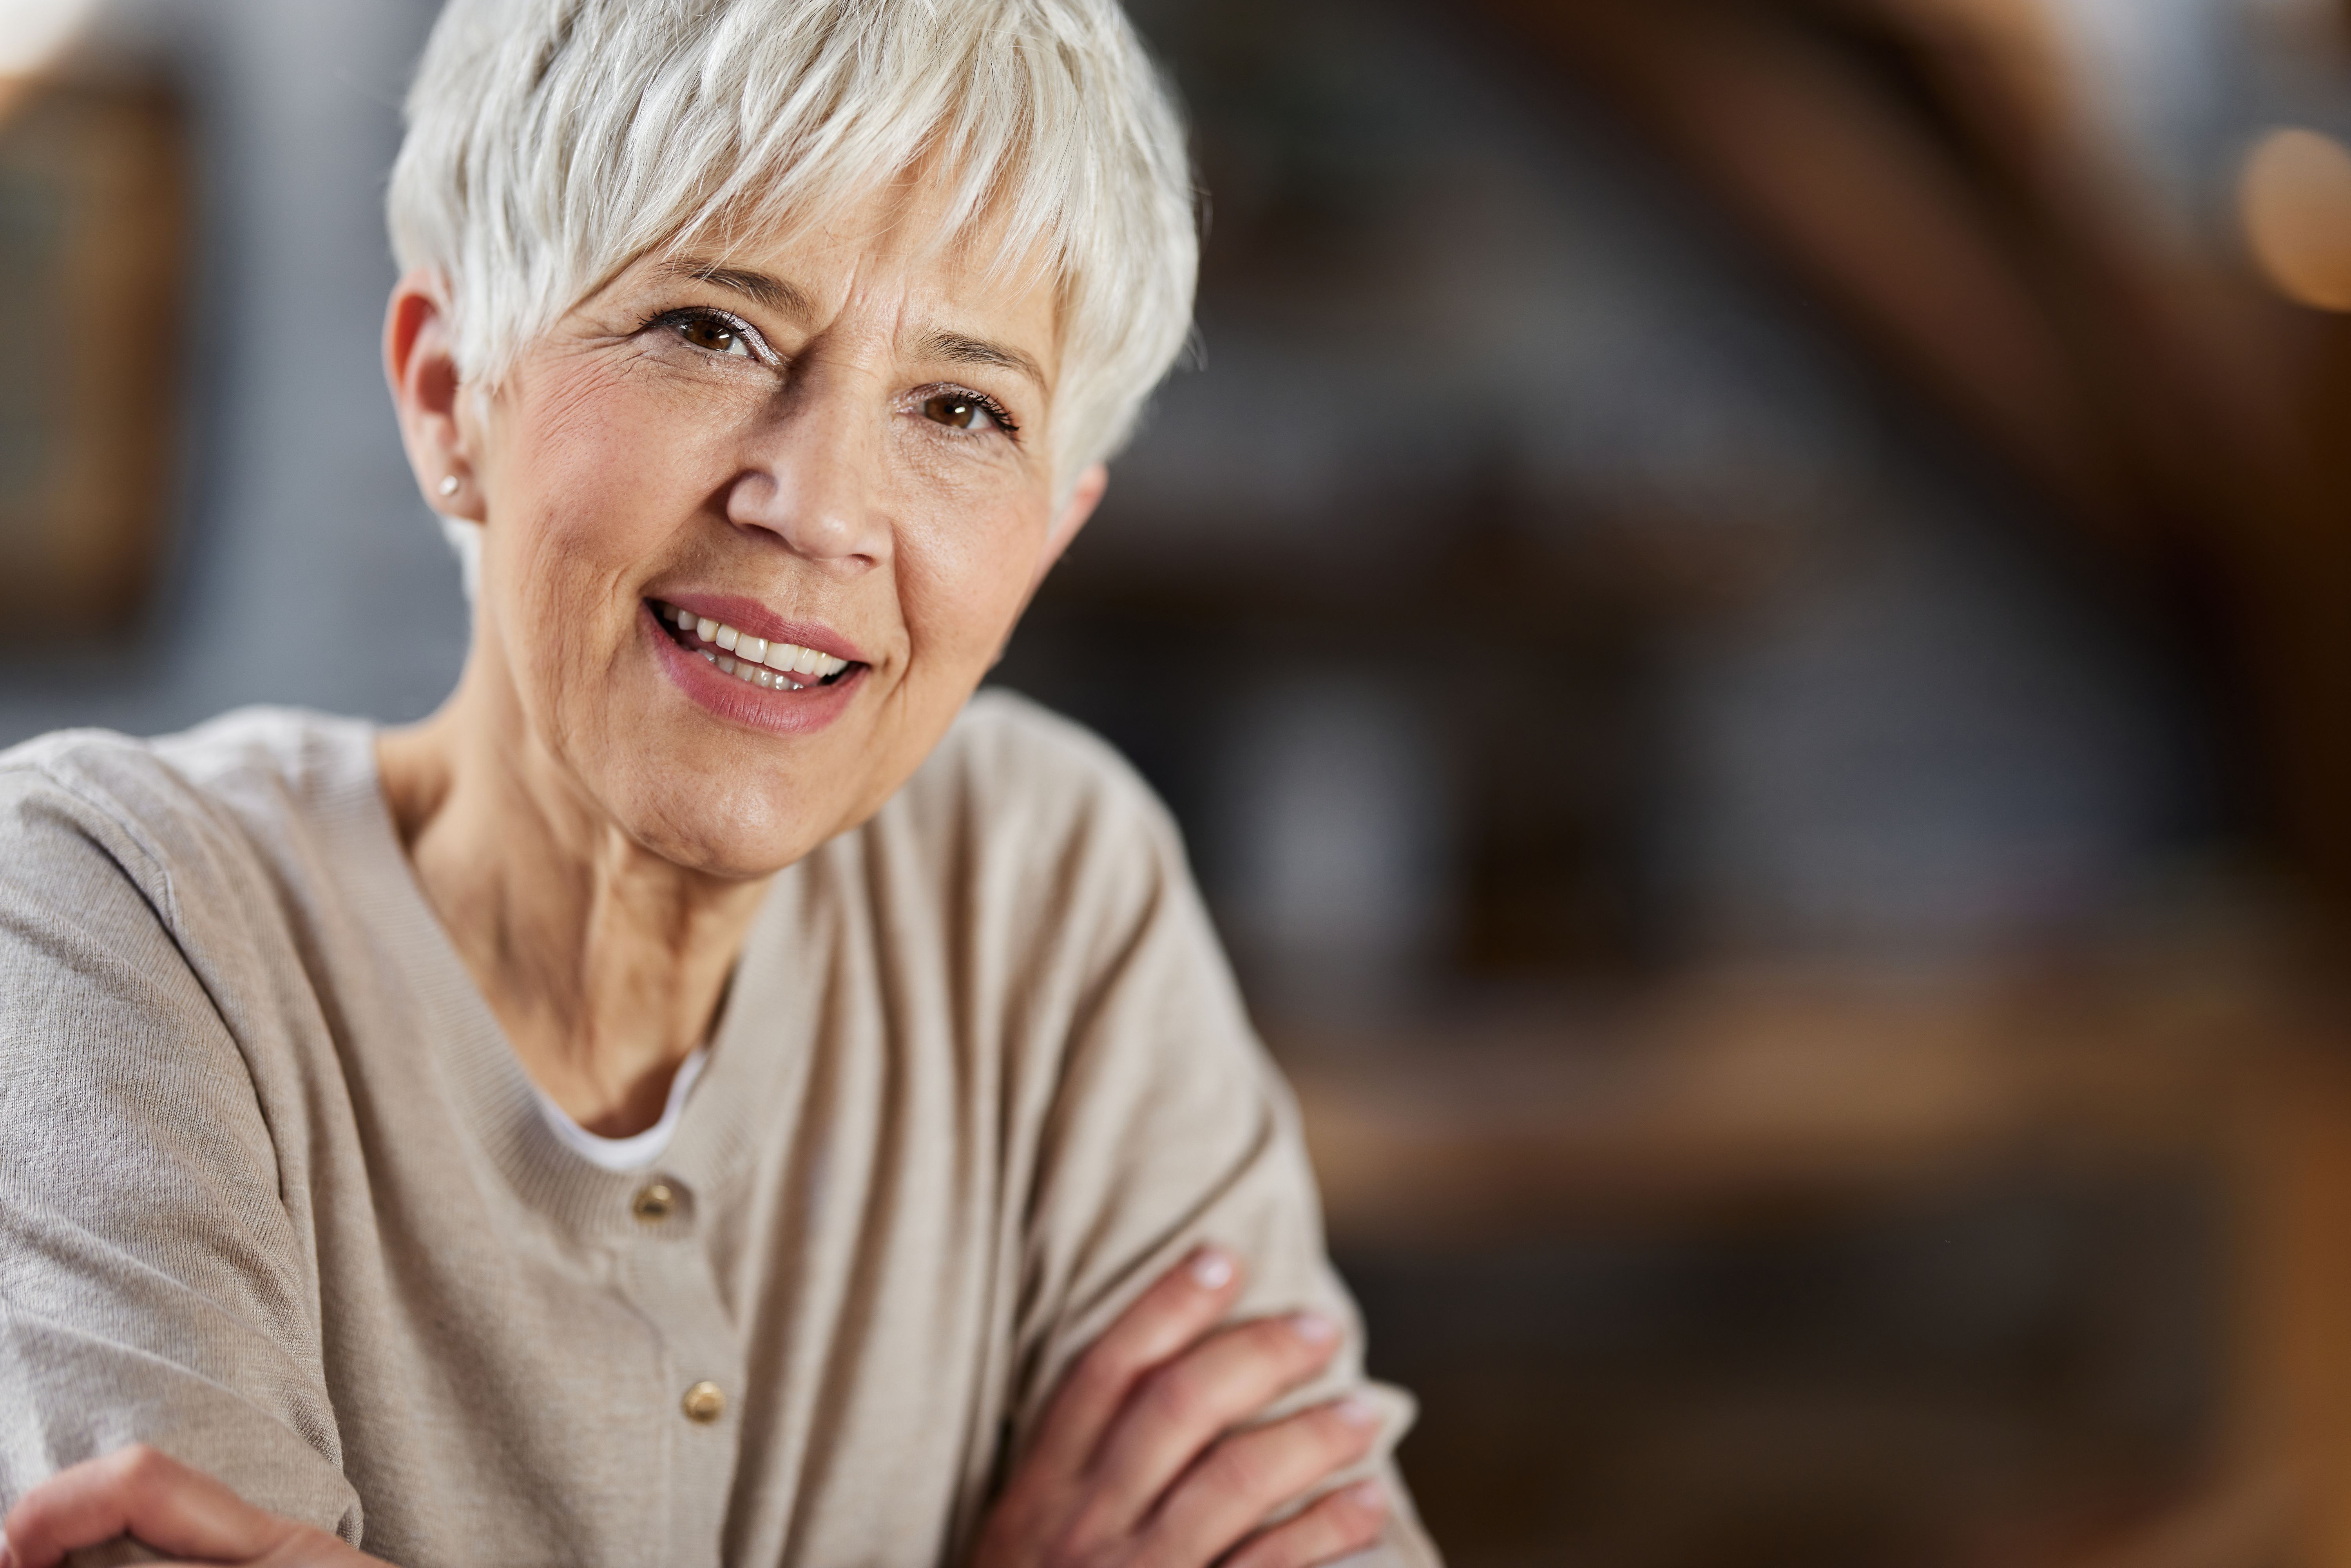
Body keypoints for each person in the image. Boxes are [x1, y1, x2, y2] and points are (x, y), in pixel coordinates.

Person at [0, 2, 1442, 1565]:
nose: (821, 507)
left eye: (962, 407)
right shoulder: (113, 911)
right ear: (447, 394)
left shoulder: (1045, 884)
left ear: (1045, 533)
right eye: (711, 327)